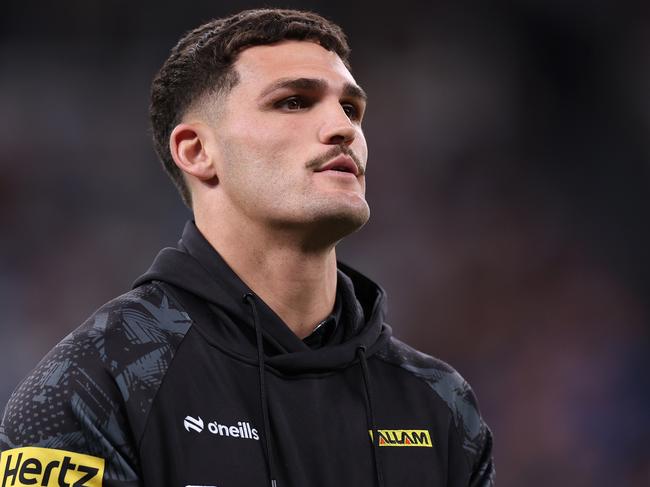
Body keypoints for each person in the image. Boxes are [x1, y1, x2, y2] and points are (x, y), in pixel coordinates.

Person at [0, 8, 494, 487]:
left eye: (351, 107)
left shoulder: (440, 404)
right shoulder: (93, 383)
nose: (345, 129)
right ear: (197, 151)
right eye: (294, 102)